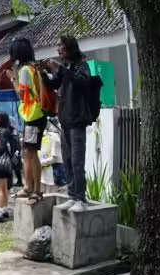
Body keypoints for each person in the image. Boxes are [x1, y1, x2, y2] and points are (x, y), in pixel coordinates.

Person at [47, 36, 97, 211]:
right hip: (65, 121)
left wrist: (60, 69)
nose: (58, 48)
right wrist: (43, 72)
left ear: (68, 48)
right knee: (67, 161)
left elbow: (82, 82)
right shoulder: (66, 68)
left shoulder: (82, 65)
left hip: (77, 121)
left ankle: (80, 199)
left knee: (77, 162)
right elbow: (54, 84)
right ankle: (72, 195)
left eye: (60, 45)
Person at [6, 37, 50, 203]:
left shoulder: (25, 70)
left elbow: (21, 94)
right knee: (32, 153)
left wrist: (12, 78)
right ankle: (35, 189)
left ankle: (30, 189)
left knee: (28, 153)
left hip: (32, 116)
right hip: (38, 115)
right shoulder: (35, 68)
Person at [0, 112, 20, 220]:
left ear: (0, 120)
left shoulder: (2, 132)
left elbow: (1, 149)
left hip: (1, 163)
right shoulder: (9, 131)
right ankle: (5, 209)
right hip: (7, 163)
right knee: (5, 188)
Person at [38, 126, 64, 192]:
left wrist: (40, 164)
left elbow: (55, 158)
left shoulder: (54, 137)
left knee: (51, 197)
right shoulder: (42, 137)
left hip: (52, 176)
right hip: (43, 175)